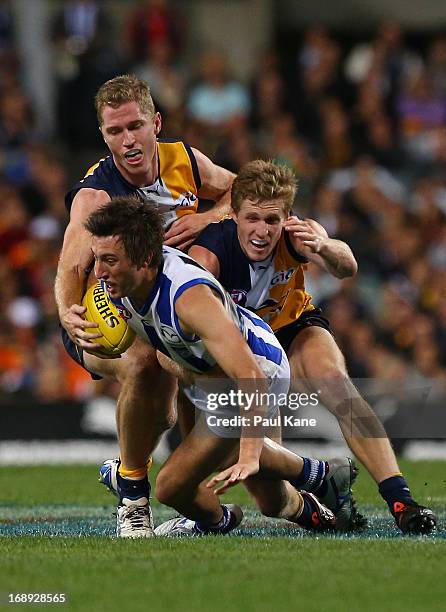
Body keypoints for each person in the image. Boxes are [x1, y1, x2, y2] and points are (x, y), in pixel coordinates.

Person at [84, 195, 359, 537]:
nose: (99, 272)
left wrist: (248, 455)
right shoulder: (120, 283)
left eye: (109, 260)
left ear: (145, 259)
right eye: (98, 259)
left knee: (171, 486)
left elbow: (250, 376)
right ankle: (320, 484)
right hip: (210, 371)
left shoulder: (189, 297)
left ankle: (298, 483)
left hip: (256, 368)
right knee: (272, 501)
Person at [188, 159, 437, 535]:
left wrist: (324, 245)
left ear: (286, 216)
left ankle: (402, 501)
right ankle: (318, 503)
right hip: (245, 350)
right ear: (234, 214)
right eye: (252, 218)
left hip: (293, 328)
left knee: (337, 385)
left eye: (272, 221)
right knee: (270, 497)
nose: (261, 231)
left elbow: (346, 267)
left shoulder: (297, 234)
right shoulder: (208, 256)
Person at [55, 74, 235, 537]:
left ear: (155, 122)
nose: (127, 140)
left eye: (134, 126)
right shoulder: (97, 194)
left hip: (161, 308)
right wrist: (67, 313)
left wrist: (209, 216)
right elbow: (72, 266)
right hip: (101, 310)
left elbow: (242, 192)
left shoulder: (187, 162)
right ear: (103, 135)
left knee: (182, 395)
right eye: (115, 131)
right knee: (144, 364)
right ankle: (133, 497)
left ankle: (193, 494)